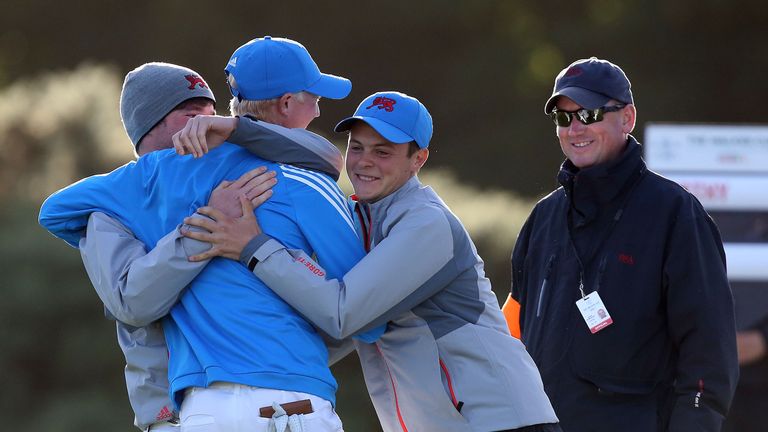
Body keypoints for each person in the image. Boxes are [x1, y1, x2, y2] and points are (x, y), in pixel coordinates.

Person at [40, 36, 371, 432]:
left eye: (211, 115)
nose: (205, 127)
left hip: (211, 407)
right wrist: (207, 224)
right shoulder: (118, 202)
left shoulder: (138, 189)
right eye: (191, 116)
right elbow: (361, 310)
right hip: (238, 406)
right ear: (153, 126)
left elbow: (54, 210)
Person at [179, 91, 561, 432]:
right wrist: (235, 129)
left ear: (419, 159)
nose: (364, 162)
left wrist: (254, 248)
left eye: (383, 151)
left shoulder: (426, 224)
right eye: (357, 147)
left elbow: (343, 315)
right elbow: (312, 155)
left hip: (502, 421)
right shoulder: (357, 217)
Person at [500, 57, 738, 431]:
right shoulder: (543, 218)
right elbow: (511, 334)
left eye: (589, 113)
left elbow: (709, 351)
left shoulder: (675, 213)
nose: (575, 128)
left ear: (626, 118)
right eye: (564, 118)